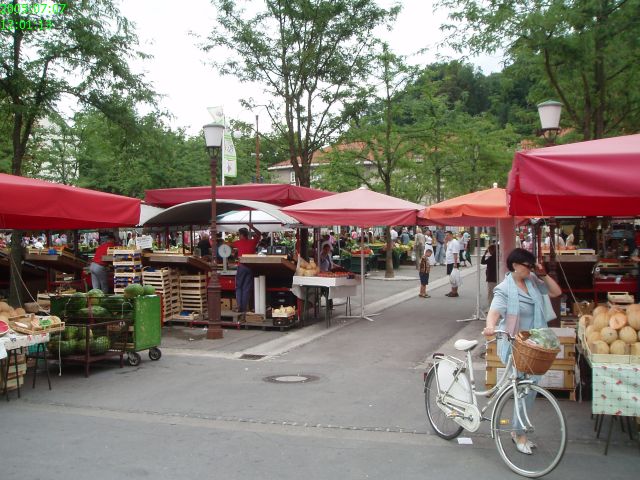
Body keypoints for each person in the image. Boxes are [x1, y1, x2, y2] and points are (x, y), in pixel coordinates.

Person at [482, 248, 562, 455]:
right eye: (528, 266)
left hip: (534, 345)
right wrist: (490, 327)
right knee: (523, 390)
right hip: (515, 345)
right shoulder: (504, 289)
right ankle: (519, 434)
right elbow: (494, 311)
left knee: (530, 389)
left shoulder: (533, 281)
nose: (531, 269)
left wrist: (543, 274)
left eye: (532, 266)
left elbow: (556, 292)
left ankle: (517, 430)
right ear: (515, 265)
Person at [232, 227, 260, 313]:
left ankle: (239, 307)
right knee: (246, 288)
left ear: (241, 235)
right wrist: (252, 226)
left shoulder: (238, 242)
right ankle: (243, 308)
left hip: (241, 266)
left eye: (239, 235)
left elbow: (227, 244)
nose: (238, 236)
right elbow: (259, 234)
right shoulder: (252, 242)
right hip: (250, 267)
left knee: (239, 287)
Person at [444, 231, 461, 297]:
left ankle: (455, 292)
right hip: (449, 261)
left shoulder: (454, 242)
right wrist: (445, 243)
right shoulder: (449, 242)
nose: (446, 236)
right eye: (445, 235)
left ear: (451, 235)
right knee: (451, 277)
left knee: (454, 277)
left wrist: (455, 263)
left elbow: (455, 253)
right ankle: (453, 291)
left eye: (447, 235)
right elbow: (446, 250)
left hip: (453, 262)